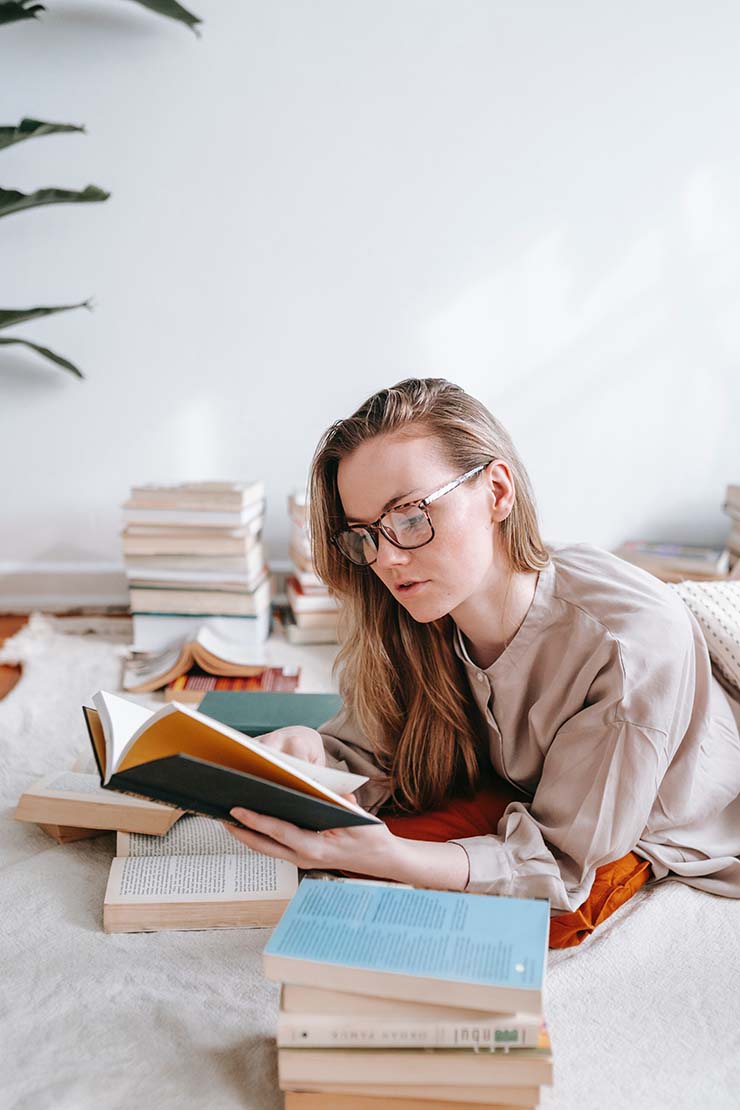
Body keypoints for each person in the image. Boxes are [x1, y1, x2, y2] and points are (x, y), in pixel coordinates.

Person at [225, 377, 740, 914]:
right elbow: (374, 747)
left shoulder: (628, 644)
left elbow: (561, 864)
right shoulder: (421, 611)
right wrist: (312, 753)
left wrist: (392, 857)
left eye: (410, 516)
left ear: (497, 492)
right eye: (365, 534)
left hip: (675, 815)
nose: (386, 558)